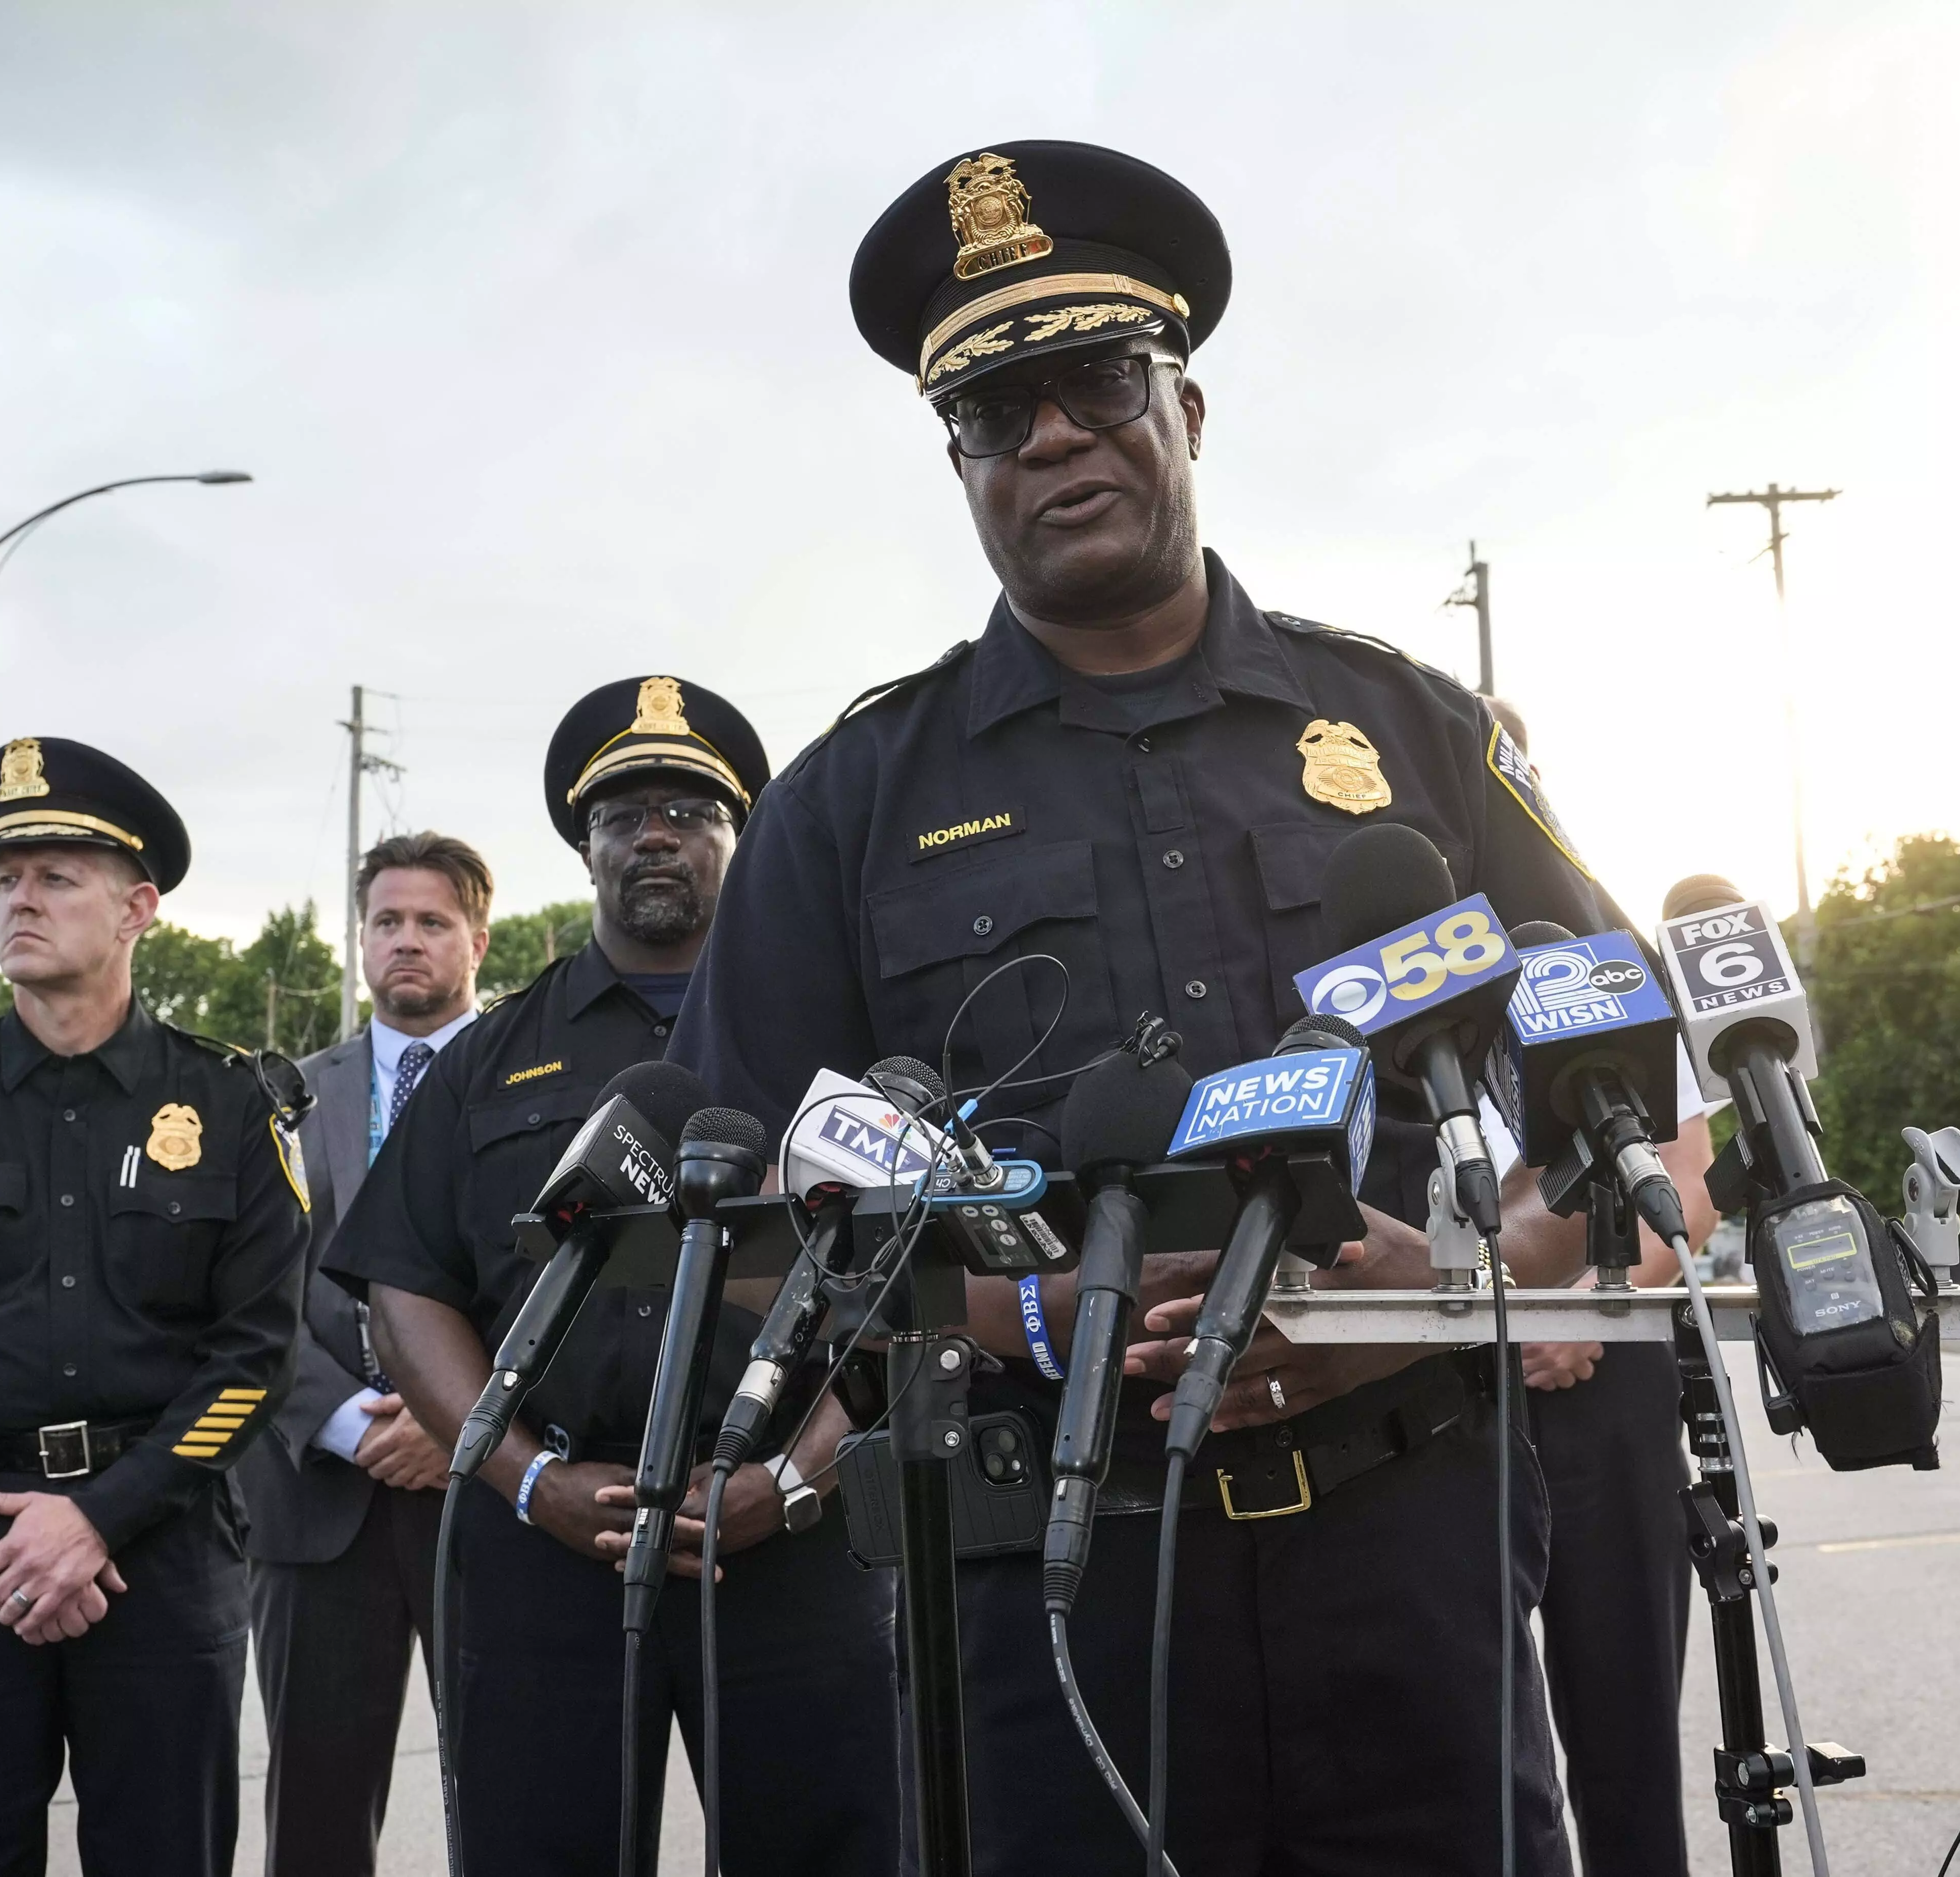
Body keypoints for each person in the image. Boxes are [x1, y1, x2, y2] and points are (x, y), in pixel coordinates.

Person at [672, 141, 1620, 1874]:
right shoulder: (848, 800)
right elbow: (739, 1212)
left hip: (1407, 1541)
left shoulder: (1406, 730)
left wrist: (1477, 1281)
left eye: (1092, 382)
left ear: (1183, 403)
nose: (1048, 438)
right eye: (990, 411)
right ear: (960, 461)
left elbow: (1612, 1090)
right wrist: (1016, 1321)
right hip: (1045, 1585)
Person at [326, 678, 898, 1876]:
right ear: (582, 844)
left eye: (689, 807)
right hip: (546, 1565)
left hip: (797, 1549)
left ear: (736, 836)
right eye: (623, 811)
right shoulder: (488, 1059)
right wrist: (524, 1475)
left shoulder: (831, 1051)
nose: (654, 832)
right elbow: (403, 1279)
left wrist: (793, 1479)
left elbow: (909, 1282)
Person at [0, 736, 311, 1877]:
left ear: (138, 906)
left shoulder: (224, 1103)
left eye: (55, 876)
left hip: (162, 1546)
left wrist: (95, 1518)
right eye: (5, 878)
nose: (19, 901)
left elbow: (255, 1358)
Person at [1480, 709, 1715, 1877]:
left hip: (1601, 1376)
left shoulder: (1602, 949)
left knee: (1623, 1740)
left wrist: (1590, 1299)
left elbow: (1693, 1177)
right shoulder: (1357, 959)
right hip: (1423, 1396)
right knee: (1460, 1752)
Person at [234, 831, 490, 1876]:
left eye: (432, 921)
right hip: (316, 1500)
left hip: (493, 1493)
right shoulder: (281, 1096)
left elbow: (565, 1282)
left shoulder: (538, 1081)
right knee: (317, 1816)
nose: (407, 942)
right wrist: (343, 1422)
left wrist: (456, 1424)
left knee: (516, 1791)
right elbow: (247, 1296)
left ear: (476, 934)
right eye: (387, 921)